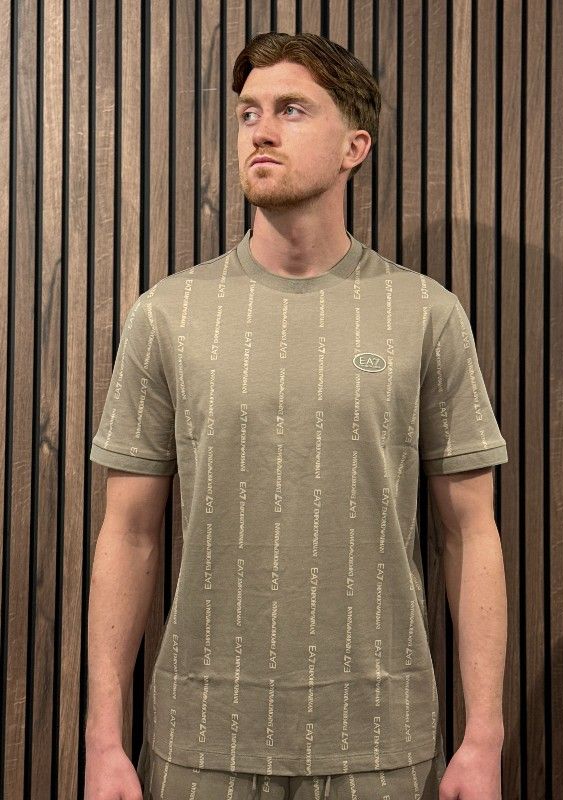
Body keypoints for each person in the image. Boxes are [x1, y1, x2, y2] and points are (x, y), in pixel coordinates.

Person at [84, 31, 507, 800]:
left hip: (379, 742)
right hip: (202, 742)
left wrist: (485, 739)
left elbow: (470, 533)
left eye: (291, 109)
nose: (262, 131)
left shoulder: (425, 314)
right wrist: (102, 740)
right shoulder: (168, 315)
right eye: (249, 113)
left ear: (354, 146)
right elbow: (128, 532)